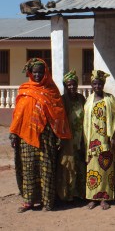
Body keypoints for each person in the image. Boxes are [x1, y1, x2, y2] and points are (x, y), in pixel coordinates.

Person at [9, 58, 71, 212]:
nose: (37, 75)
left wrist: (59, 136)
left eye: (40, 72)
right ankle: (29, 201)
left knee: (47, 169)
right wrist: (13, 133)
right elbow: (18, 114)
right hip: (26, 137)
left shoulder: (52, 91)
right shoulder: (25, 90)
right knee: (28, 169)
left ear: (45, 73)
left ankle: (47, 202)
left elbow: (58, 114)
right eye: (34, 72)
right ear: (30, 73)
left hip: (46, 137)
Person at [83, 70, 115, 210]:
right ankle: (93, 198)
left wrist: (114, 135)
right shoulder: (88, 100)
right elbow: (85, 121)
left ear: (103, 85)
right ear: (91, 85)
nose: (97, 86)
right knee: (92, 168)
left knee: (105, 169)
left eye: (100, 84)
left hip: (105, 139)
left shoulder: (110, 99)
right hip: (91, 140)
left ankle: (104, 198)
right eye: (95, 84)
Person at [56, 70, 86, 201]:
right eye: (69, 85)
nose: (72, 87)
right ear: (65, 86)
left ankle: (79, 193)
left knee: (80, 164)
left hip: (81, 137)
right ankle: (67, 195)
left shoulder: (81, 98)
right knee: (68, 165)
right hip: (67, 138)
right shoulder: (62, 100)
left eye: (74, 84)